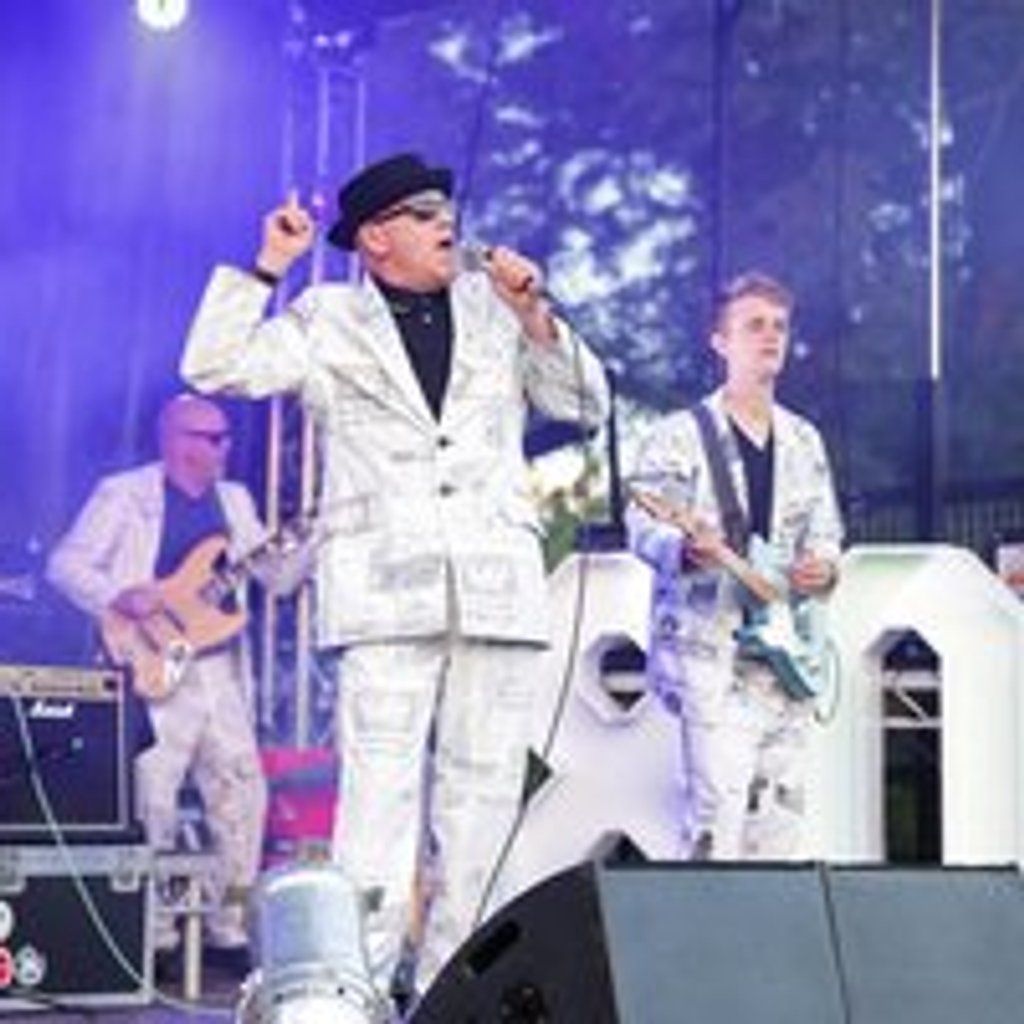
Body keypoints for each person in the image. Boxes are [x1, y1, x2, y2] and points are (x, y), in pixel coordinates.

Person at [179, 152, 610, 998]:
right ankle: (359, 995)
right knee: (377, 811)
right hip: (384, 596)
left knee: (483, 810)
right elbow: (212, 366)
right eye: (421, 212)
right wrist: (266, 266)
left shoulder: (496, 308)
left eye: (446, 208)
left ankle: (459, 996)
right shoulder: (329, 317)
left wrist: (535, 314)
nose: (445, 221)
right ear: (375, 237)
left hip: (493, 592)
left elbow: (586, 405)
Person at [47, 393, 289, 981]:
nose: (224, 448)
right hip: (152, 662)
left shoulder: (235, 501)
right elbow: (64, 565)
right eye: (211, 437)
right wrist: (118, 596)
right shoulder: (124, 494)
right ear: (176, 439)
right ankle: (150, 934)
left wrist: (308, 545)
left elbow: (277, 578)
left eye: (226, 437)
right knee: (152, 797)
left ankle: (229, 930)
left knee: (241, 791)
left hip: (218, 668)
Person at [627, 271, 843, 862]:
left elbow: (826, 532)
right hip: (711, 653)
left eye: (779, 326)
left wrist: (824, 570)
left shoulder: (805, 440)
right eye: (754, 326)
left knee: (780, 824)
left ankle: (770, 925)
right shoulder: (678, 436)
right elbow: (643, 523)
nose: (771, 336)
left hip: (788, 659)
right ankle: (705, 923)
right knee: (715, 817)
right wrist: (684, 549)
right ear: (720, 342)